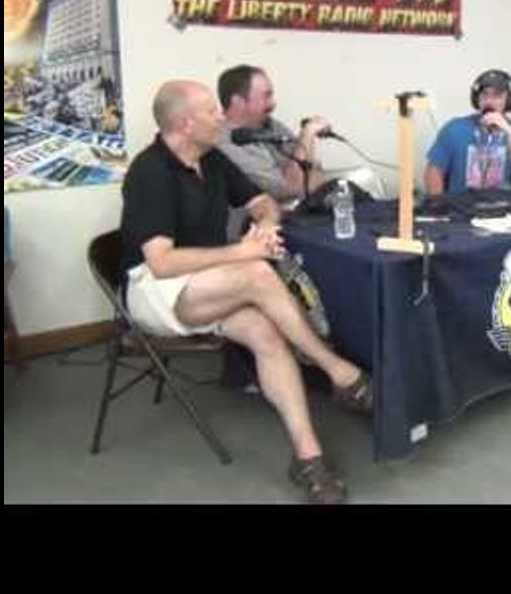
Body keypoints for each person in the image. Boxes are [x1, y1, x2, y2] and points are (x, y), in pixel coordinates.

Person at [119, 80, 371, 504]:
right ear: (185, 124)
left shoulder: (211, 158)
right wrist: (243, 251)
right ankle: (338, 370)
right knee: (255, 271)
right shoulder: (149, 172)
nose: (221, 116)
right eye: (211, 111)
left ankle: (308, 458)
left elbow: (263, 202)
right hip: (153, 289)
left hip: (209, 281)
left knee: (266, 333)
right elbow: (161, 262)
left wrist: (265, 228)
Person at [214, 64, 331, 206]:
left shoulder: (270, 124)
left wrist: (302, 178)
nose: (273, 103)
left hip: (304, 211)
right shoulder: (224, 143)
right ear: (238, 102)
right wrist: (307, 134)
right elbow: (292, 188)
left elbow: (317, 174)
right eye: (266, 96)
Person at [423, 69, 511, 196]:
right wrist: (439, 204)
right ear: (477, 99)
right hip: (459, 205)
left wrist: (510, 133)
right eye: (484, 95)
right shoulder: (454, 129)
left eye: (497, 96)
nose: (489, 101)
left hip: (502, 206)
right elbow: (434, 172)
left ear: (509, 101)